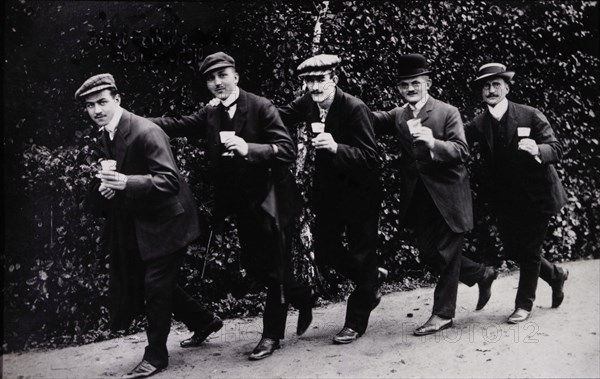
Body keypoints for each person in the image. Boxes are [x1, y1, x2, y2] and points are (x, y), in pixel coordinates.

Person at [148, 52, 313, 360]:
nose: (217, 82)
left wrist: (249, 148)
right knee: (256, 267)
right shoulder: (210, 113)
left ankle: (271, 336)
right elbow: (178, 125)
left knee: (275, 270)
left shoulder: (261, 107)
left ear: (236, 76)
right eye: (211, 78)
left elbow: (287, 150)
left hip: (273, 199)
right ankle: (303, 294)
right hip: (242, 204)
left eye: (222, 75)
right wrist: (132, 121)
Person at [78, 73, 221, 379]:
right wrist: (110, 188)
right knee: (153, 281)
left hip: (170, 220)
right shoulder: (108, 132)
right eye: (90, 106)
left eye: (102, 102)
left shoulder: (146, 131)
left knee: (155, 287)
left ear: (117, 99)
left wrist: (126, 182)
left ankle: (155, 356)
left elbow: (168, 181)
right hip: (145, 219)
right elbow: (123, 174)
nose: (97, 110)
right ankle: (204, 321)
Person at [372, 54, 498, 336]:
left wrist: (434, 143)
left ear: (427, 83)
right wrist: (333, 103)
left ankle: (443, 314)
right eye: (404, 85)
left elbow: (462, 150)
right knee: (430, 253)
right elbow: (369, 120)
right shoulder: (398, 115)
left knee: (448, 253)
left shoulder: (447, 111)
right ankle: (481, 273)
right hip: (420, 198)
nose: (410, 89)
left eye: (415, 83)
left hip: (450, 195)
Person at [278, 54, 383, 344]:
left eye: (319, 79)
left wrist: (337, 147)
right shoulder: (308, 104)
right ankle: (371, 278)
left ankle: (355, 321)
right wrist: (236, 108)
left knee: (362, 252)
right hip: (330, 191)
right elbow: (278, 114)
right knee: (326, 250)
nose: (313, 86)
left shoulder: (354, 108)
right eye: (308, 81)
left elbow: (371, 158)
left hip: (361, 190)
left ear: (333, 80)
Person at [466, 62, 569, 323]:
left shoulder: (529, 115)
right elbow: (457, 139)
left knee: (530, 251)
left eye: (496, 84)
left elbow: (556, 148)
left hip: (539, 196)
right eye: (486, 86)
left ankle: (524, 304)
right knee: (515, 250)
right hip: (507, 200)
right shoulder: (479, 123)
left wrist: (538, 150)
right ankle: (556, 275)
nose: (491, 90)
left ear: (507, 88)